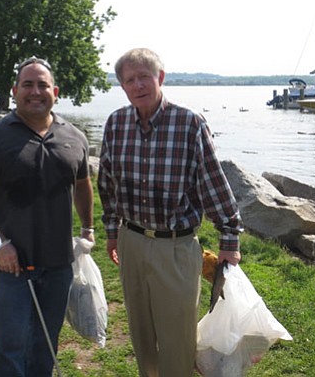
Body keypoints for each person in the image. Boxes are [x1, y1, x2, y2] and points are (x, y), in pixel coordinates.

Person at [98, 48, 244, 377]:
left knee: (177, 337)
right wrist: (111, 232)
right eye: (130, 80)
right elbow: (106, 184)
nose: (138, 85)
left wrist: (229, 239)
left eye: (144, 77)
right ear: (122, 86)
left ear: (160, 78)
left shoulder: (189, 123)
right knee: (141, 331)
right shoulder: (116, 123)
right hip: (131, 240)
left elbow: (213, 183)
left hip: (176, 247)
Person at [0, 56, 95, 377]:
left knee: (46, 345)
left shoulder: (74, 138)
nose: (35, 91)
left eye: (42, 85)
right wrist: (0, 243)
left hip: (59, 265)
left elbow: (83, 184)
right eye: (28, 85)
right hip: (10, 267)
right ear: (14, 91)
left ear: (55, 91)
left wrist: (88, 227)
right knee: (10, 348)